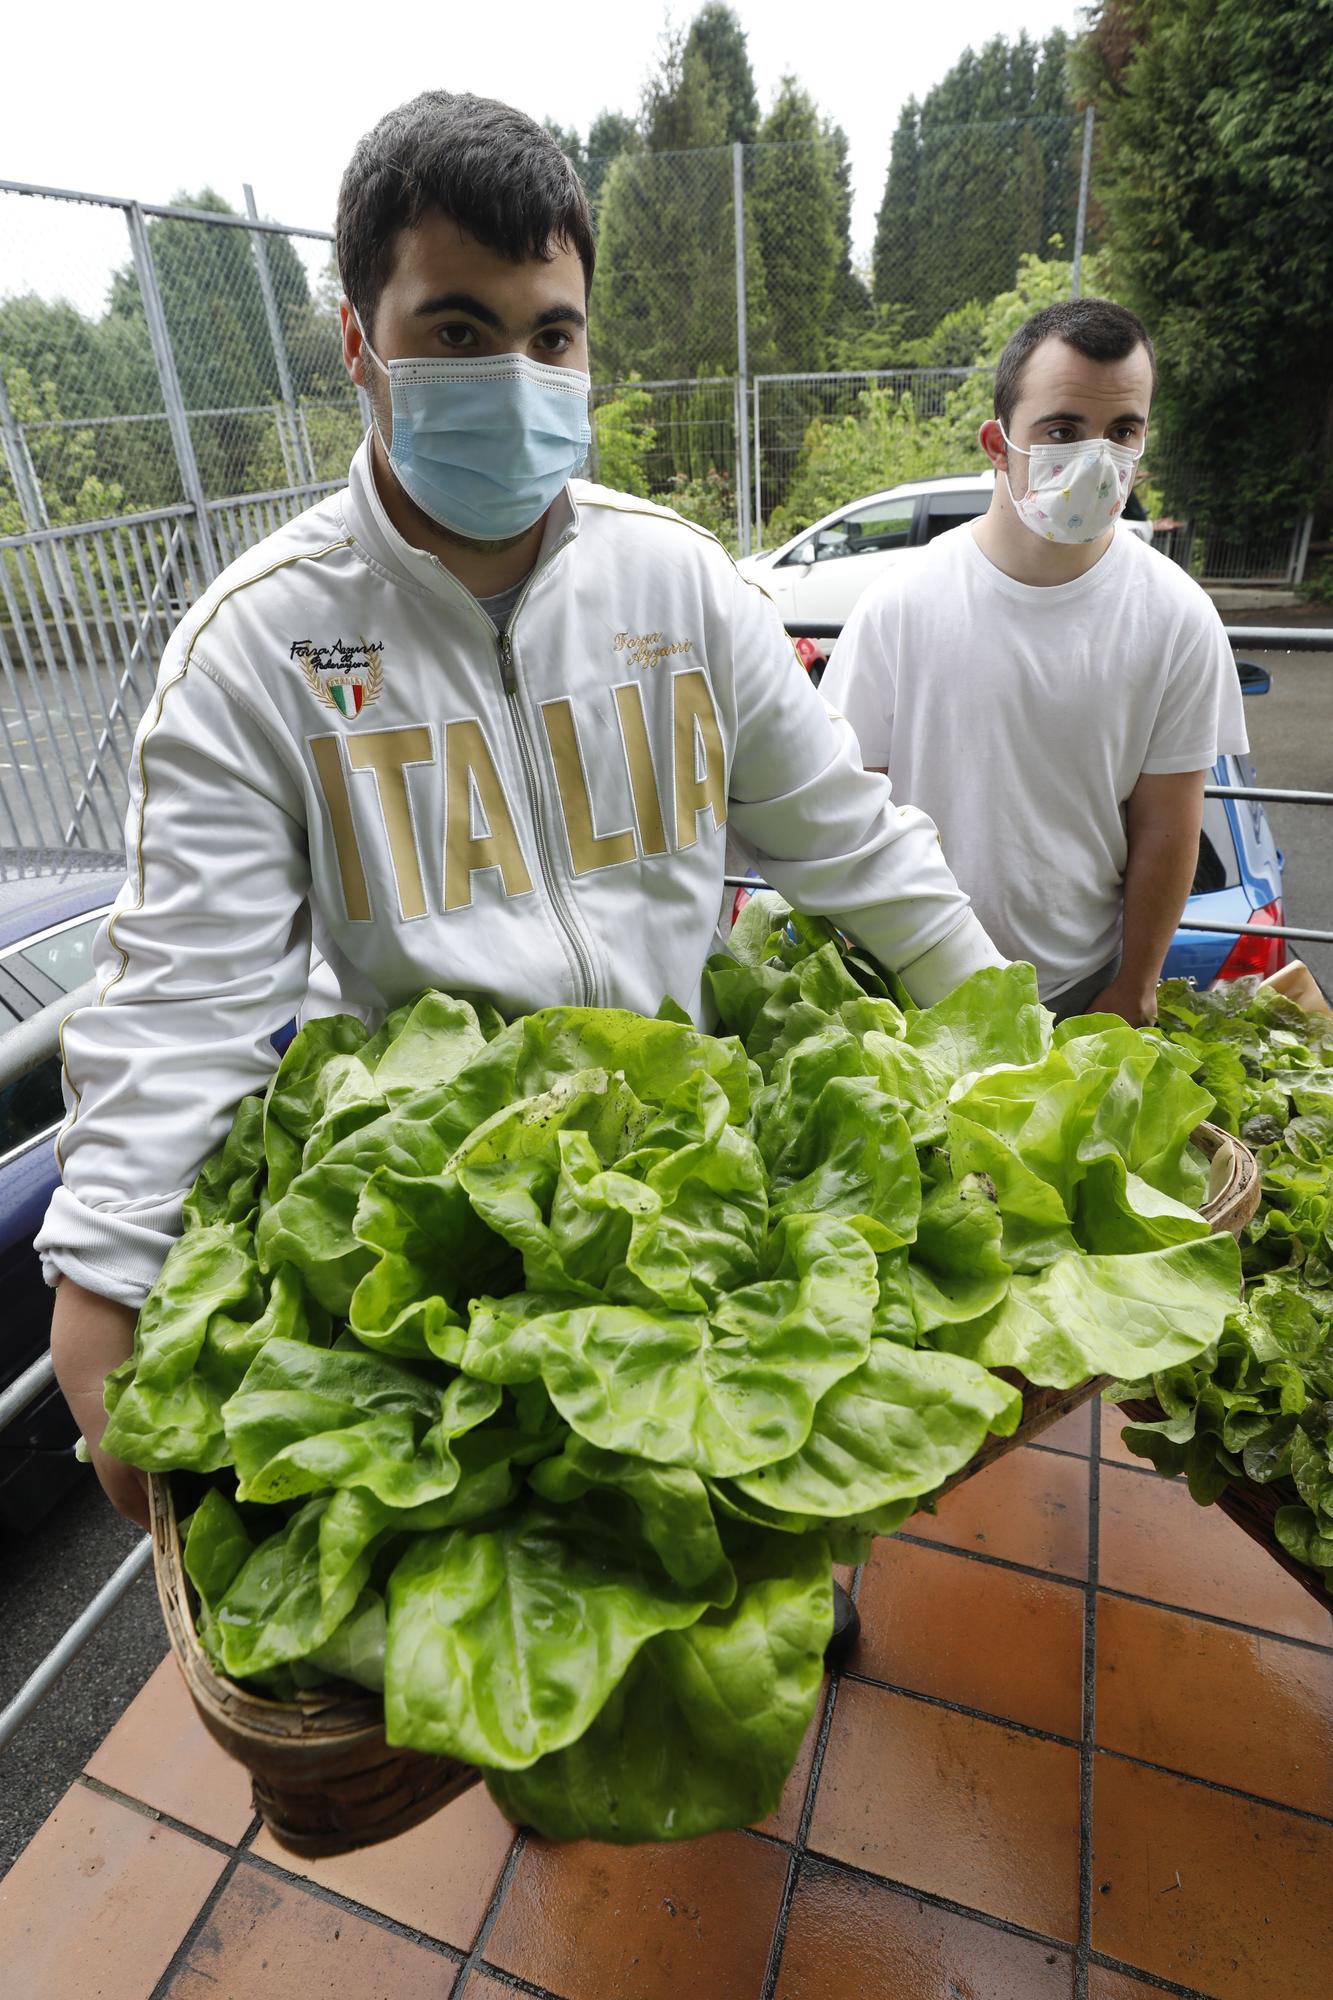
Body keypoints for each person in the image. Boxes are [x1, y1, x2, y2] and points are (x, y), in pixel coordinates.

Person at [39, 91, 1003, 1551]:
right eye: (457, 329)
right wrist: (102, 1283)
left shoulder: (683, 589)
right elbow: (186, 1005)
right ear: (359, 344)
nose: (516, 370)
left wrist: (1015, 1053)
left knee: (762, 1565)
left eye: (551, 333)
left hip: (699, 1216)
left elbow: (855, 843)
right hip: (453, 1274)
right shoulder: (255, 647)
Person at [821, 297, 1248, 1026]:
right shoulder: (900, 605)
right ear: (997, 443)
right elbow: (847, 804)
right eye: (1062, 431)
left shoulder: (1175, 618)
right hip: (905, 990)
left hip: (1080, 994)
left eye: (1122, 432)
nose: (1095, 458)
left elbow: (1166, 827)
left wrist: (1135, 986)